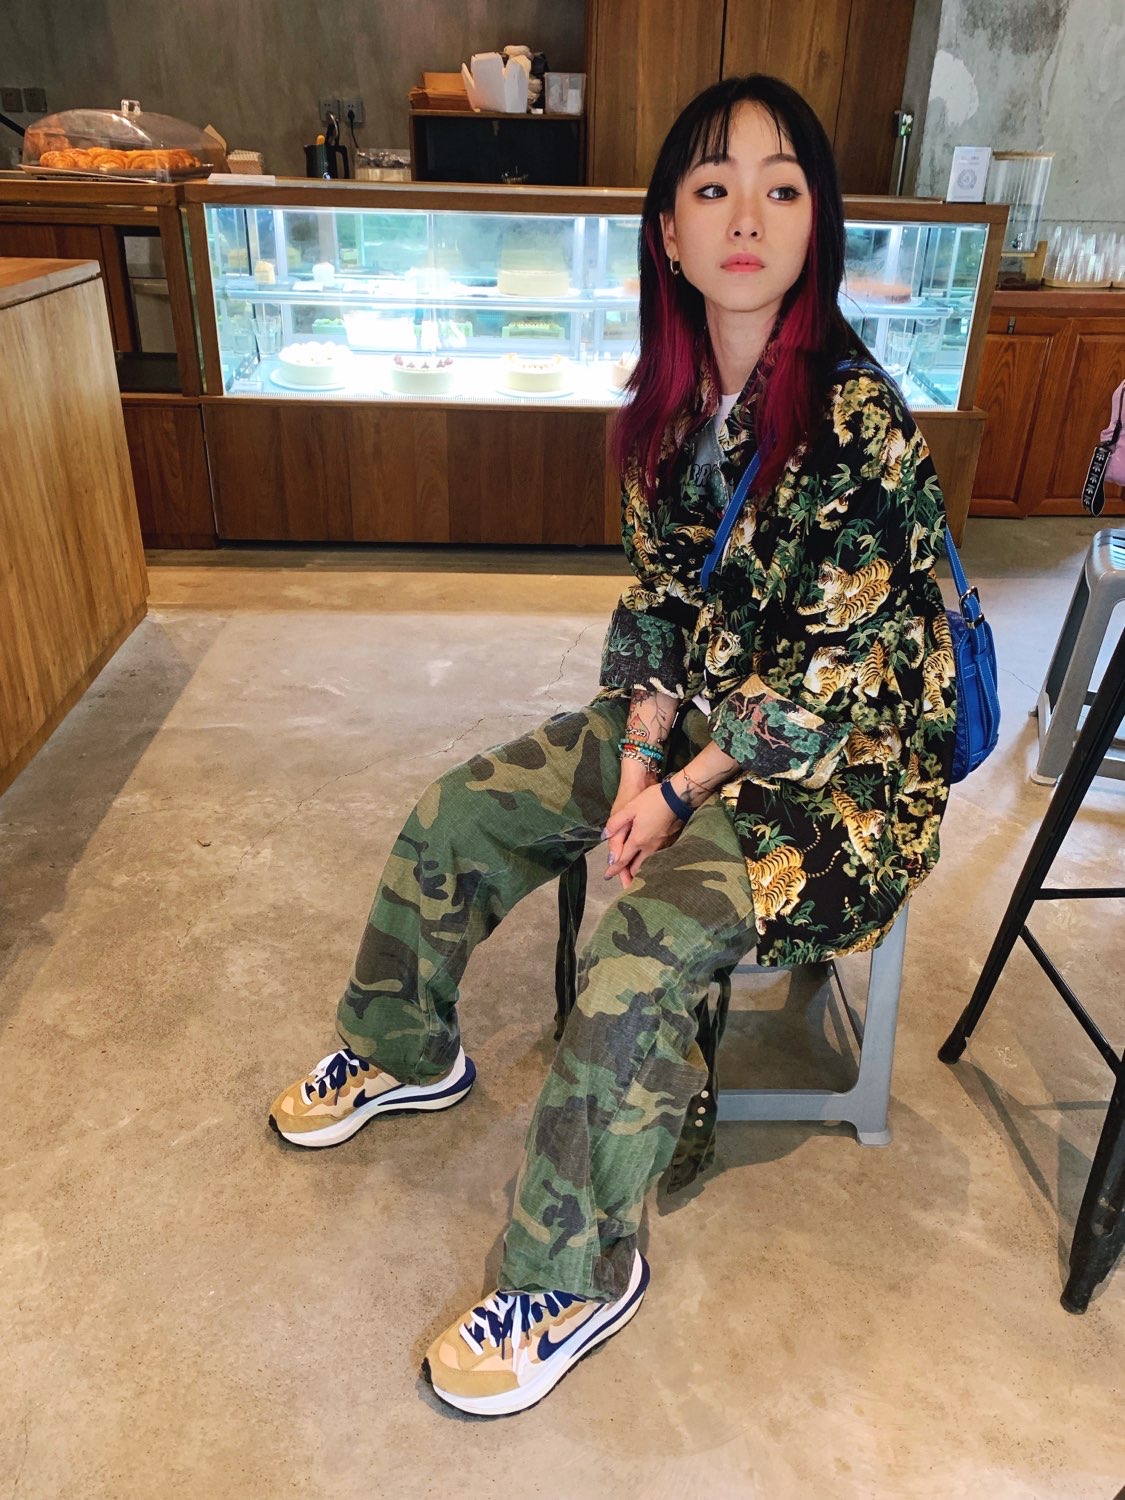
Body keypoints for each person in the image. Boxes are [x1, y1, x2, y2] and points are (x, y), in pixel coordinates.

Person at [268, 73, 956, 1418]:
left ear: (817, 223)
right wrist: (639, 766)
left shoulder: (862, 431)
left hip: (843, 791)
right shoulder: (668, 408)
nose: (746, 216)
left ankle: (575, 1275)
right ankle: (405, 1045)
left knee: (635, 956)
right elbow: (656, 606)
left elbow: (822, 691)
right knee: (462, 810)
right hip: (699, 726)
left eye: (781, 187)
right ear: (667, 234)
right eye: (712, 187)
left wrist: (677, 795)